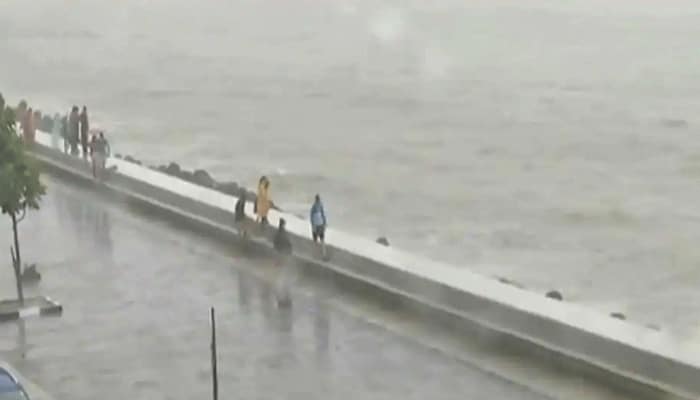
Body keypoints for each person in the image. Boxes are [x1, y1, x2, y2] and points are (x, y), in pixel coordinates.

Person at [273, 218, 293, 308]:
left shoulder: (278, 233)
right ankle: (284, 293)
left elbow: (275, 243)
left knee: (280, 273)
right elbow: (287, 243)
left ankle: (281, 293)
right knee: (284, 273)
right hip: (284, 254)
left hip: (279, 254)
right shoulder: (283, 234)